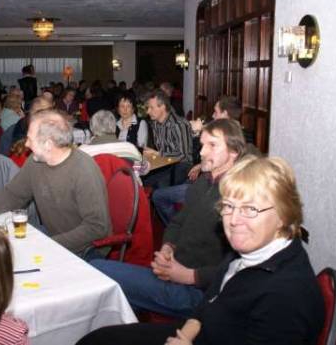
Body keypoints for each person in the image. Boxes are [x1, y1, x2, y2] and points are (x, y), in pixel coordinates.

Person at [77, 155, 324, 345]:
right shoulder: (248, 251)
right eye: (228, 206)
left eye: (250, 209)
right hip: (200, 332)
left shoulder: (287, 294)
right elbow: (210, 301)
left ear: (283, 215)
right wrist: (185, 335)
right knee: (98, 340)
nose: (234, 220)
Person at [90, 119, 245, 319]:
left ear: (234, 152)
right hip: (175, 273)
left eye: (212, 145)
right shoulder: (202, 183)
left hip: (203, 295)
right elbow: (177, 222)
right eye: (202, 144)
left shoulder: (239, 196)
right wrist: (167, 248)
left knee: (97, 267)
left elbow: (242, 267)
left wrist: (189, 276)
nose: (202, 152)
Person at [0, 109, 111, 256]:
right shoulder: (36, 162)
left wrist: (49, 244)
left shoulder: (84, 170)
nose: (27, 144)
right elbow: (15, 193)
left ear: (48, 144)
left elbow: (97, 227)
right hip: (53, 238)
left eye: (30, 139)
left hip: (85, 250)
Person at [153, 95, 249, 224]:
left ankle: (180, 228)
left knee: (158, 195)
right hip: (204, 179)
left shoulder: (235, 140)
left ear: (225, 114)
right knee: (168, 180)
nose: (213, 116)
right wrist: (199, 166)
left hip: (213, 189)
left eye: (216, 112)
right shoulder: (230, 132)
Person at [143, 89, 192, 188]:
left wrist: (158, 154)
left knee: (159, 184)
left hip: (181, 166)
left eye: (151, 108)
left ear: (163, 107)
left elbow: (183, 155)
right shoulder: (155, 123)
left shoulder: (178, 124)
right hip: (164, 163)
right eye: (148, 108)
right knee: (137, 175)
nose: (148, 111)